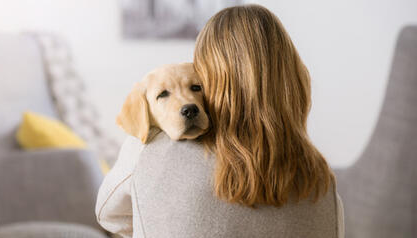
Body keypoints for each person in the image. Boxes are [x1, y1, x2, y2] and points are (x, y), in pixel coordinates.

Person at [95, 4, 344, 238]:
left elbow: (109, 215)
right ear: (296, 80)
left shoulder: (148, 151)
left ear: (212, 81)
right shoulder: (323, 184)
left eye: (196, 86)